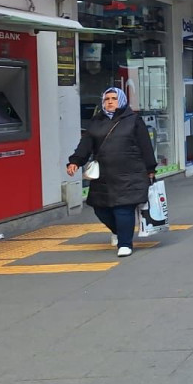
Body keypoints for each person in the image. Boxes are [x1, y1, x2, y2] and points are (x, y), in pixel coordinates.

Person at [66, 88, 157, 258]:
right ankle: (118, 231)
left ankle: (125, 244)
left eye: (114, 98)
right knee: (100, 208)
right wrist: (75, 161)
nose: (110, 101)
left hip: (130, 173)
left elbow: (145, 146)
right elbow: (85, 144)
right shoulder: (96, 121)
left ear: (121, 100)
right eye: (107, 98)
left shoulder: (133, 120)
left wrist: (150, 169)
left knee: (123, 209)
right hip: (104, 175)